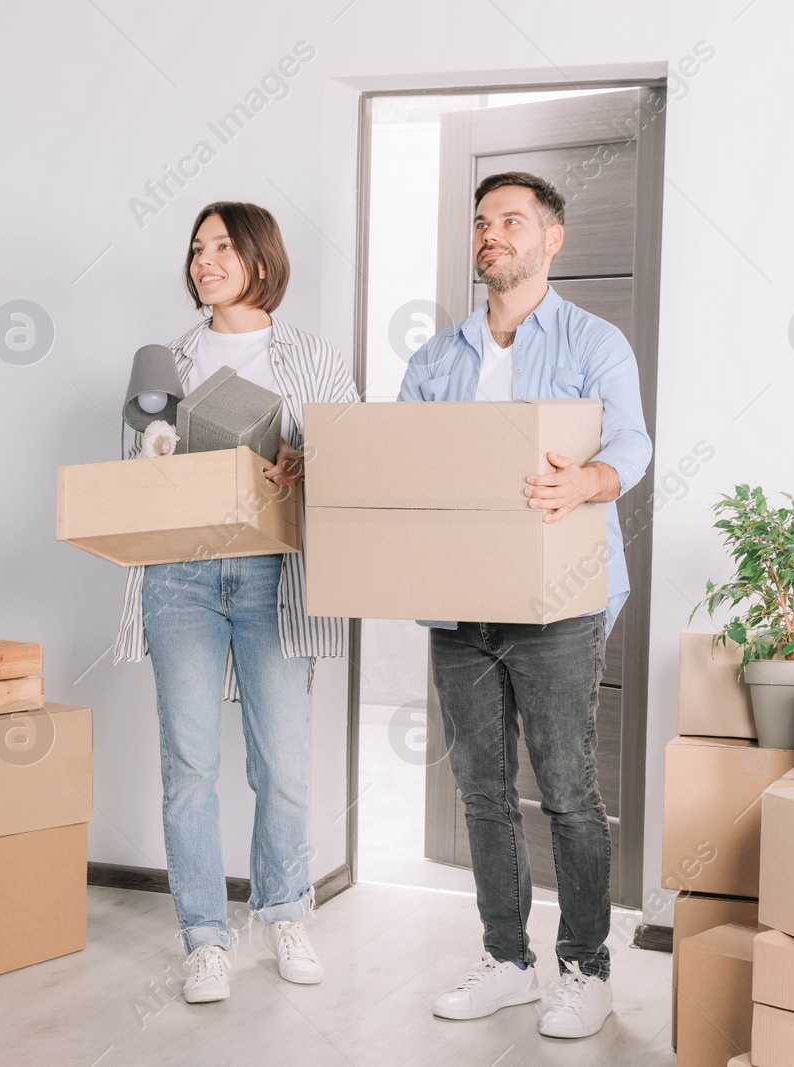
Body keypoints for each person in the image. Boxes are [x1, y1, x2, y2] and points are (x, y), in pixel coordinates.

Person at [401, 172, 652, 1039]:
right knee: (480, 789)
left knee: (570, 790)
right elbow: (403, 466)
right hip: (459, 606)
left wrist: (589, 479)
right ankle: (508, 960)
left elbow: (632, 440)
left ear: (552, 238)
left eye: (511, 220)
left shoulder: (592, 342)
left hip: (560, 602)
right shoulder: (435, 360)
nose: (491, 234)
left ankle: (587, 970)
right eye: (481, 222)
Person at [113, 201, 359, 1005]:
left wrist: (307, 461)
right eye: (195, 248)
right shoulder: (165, 357)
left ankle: (284, 912)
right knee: (189, 767)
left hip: (273, 579)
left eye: (221, 245)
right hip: (180, 577)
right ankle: (204, 938)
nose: (203, 260)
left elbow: (355, 456)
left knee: (281, 765)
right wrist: (154, 452)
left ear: (259, 257)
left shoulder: (311, 357)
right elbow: (134, 472)